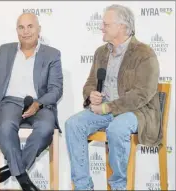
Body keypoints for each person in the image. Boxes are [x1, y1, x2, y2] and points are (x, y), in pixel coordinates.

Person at [65, 4, 160, 190]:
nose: (102, 27)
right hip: (104, 109)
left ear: (122, 27)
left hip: (137, 111)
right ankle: (83, 187)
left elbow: (142, 94)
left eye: (106, 24)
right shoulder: (101, 52)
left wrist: (108, 107)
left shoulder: (144, 53)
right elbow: (90, 83)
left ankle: (118, 186)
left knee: (117, 128)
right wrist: (91, 95)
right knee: (73, 124)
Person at [0, 13, 63, 191]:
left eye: (30, 26)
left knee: (46, 128)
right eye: (21, 27)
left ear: (39, 29)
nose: (26, 31)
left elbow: (55, 89)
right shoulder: (6, 50)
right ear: (16, 31)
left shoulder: (52, 54)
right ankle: (23, 179)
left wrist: (38, 104)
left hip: (40, 104)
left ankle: (13, 168)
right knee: (5, 128)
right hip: (9, 103)